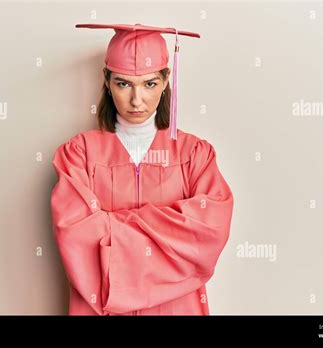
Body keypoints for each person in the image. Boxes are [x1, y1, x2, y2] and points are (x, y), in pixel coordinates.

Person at [50, 23, 235, 315]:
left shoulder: (194, 154)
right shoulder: (79, 154)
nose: (137, 100)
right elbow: (77, 237)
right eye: (123, 83)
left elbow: (207, 234)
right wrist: (167, 235)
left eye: (149, 84)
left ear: (165, 82)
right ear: (107, 82)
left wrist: (111, 227)